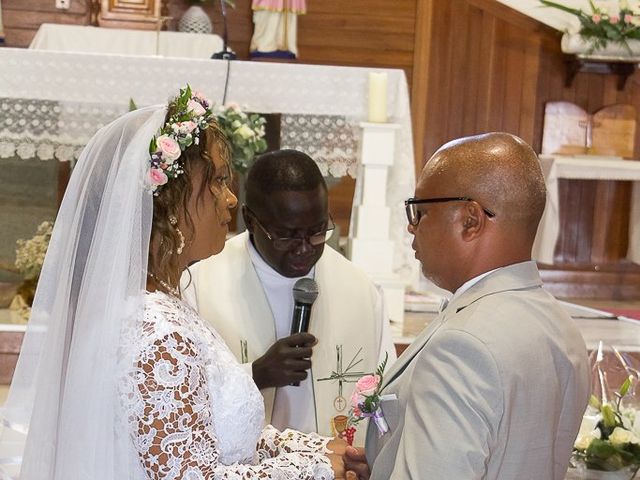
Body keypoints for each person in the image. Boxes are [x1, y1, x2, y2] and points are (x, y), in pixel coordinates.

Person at [0, 87, 346, 479]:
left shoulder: (156, 304)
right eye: (216, 181)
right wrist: (315, 469)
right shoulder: (157, 334)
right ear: (166, 205)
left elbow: (208, 433)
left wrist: (308, 447)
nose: (230, 199)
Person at [344, 132, 591, 479]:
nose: (410, 227)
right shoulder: (561, 327)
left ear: (470, 220)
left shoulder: (462, 346)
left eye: (421, 211)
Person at [182, 149, 396, 445]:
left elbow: (385, 395)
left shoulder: (360, 289)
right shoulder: (199, 287)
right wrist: (256, 374)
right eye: (286, 235)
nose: (305, 248)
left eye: (317, 231)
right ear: (250, 220)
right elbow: (179, 404)